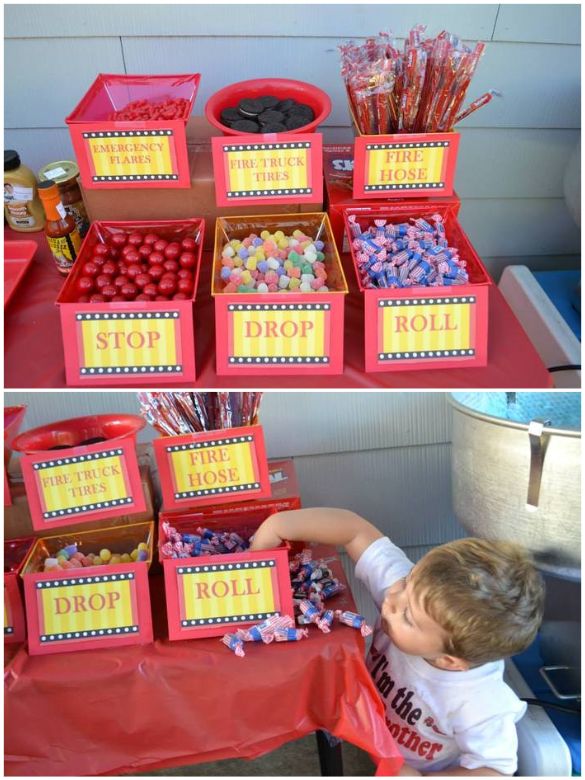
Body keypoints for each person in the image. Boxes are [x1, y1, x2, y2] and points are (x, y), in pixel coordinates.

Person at [250, 508, 545, 776]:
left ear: (448, 660)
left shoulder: (480, 701)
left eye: (407, 616)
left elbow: (493, 770)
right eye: (408, 580)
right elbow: (355, 530)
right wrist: (279, 525)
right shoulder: (412, 595)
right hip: (376, 739)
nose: (392, 598)